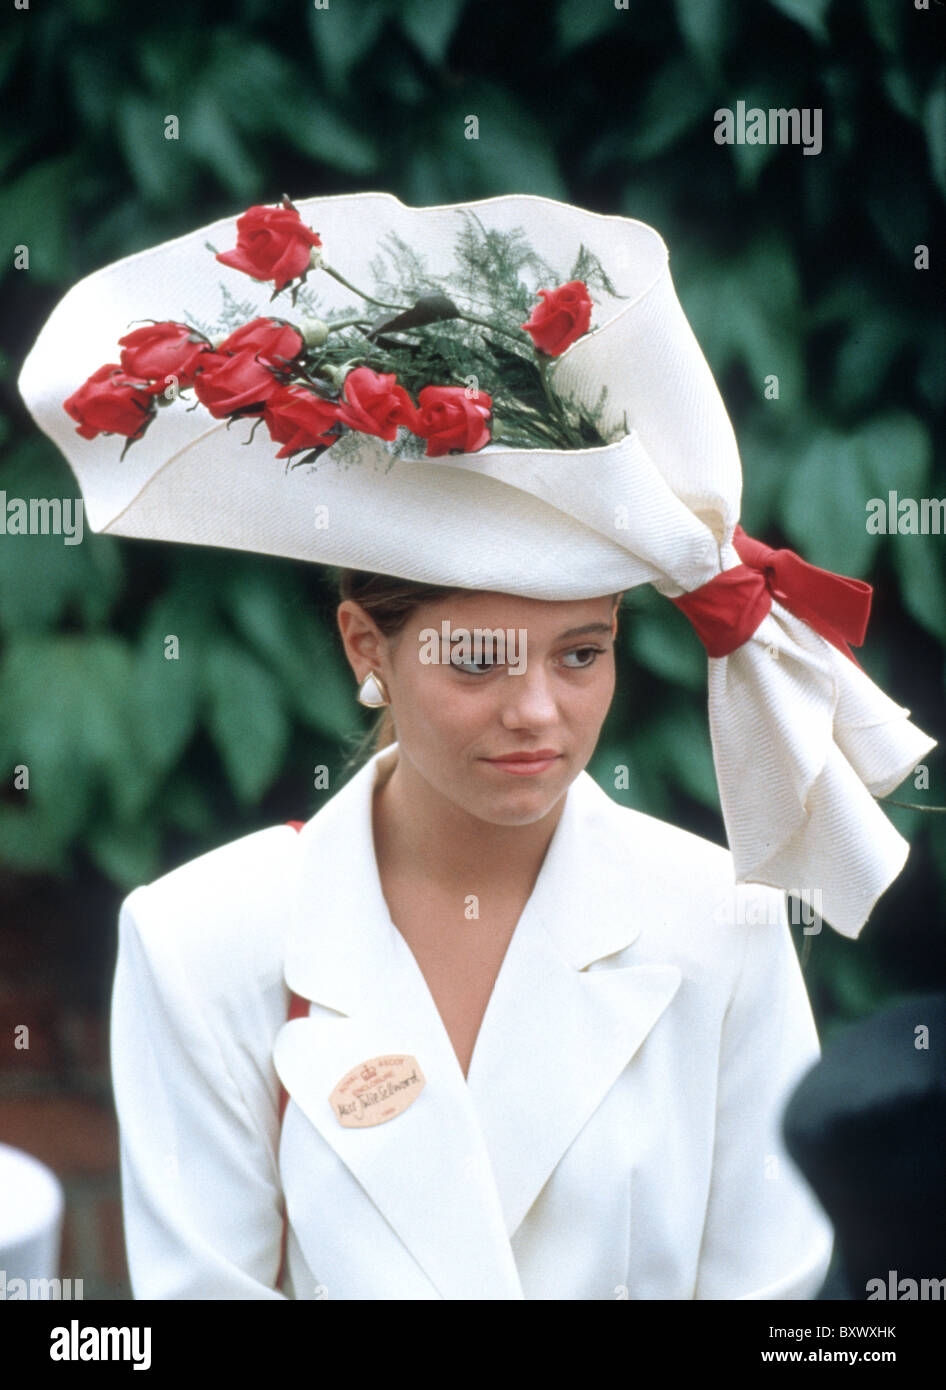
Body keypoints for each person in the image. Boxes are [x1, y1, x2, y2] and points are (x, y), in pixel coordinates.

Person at [17, 191, 934, 1299]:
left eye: (581, 654)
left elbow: (779, 1299)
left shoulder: (721, 920)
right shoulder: (203, 938)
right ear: (368, 644)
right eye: (480, 661)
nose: (539, 711)